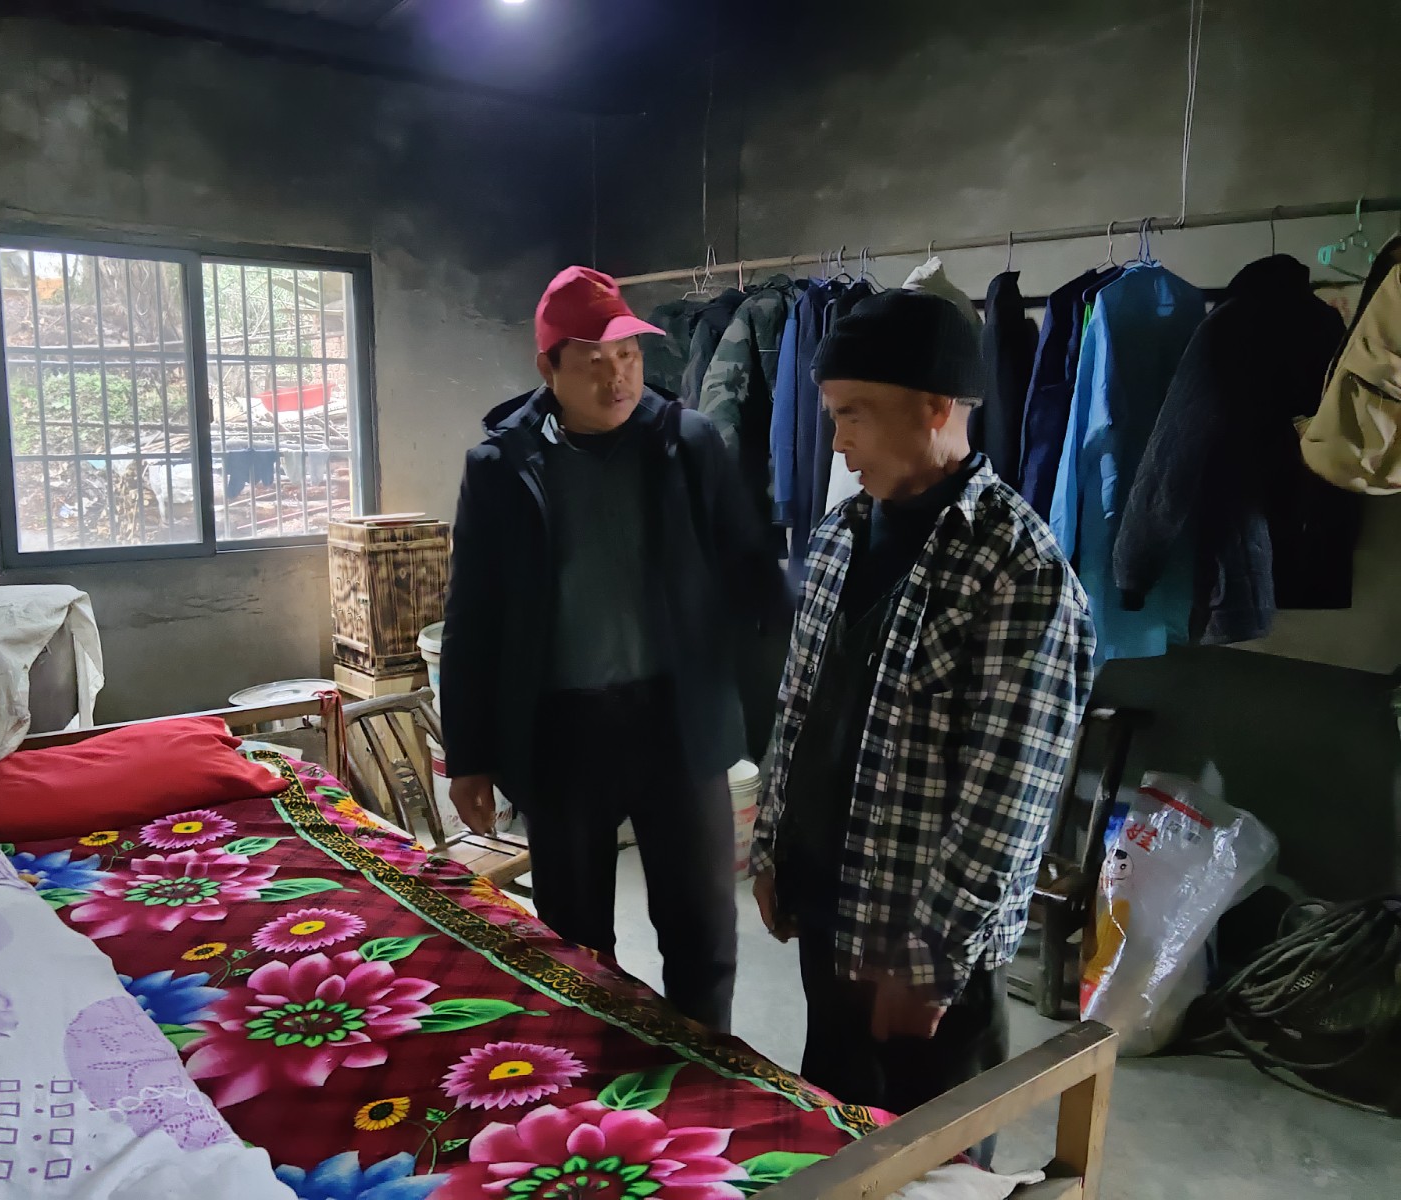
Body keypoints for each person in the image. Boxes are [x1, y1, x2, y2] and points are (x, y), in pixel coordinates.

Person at [750, 289, 1096, 1164]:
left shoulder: (1017, 570)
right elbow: (800, 706)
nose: (837, 442)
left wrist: (934, 958)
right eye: (833, 415)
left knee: (933, 1163)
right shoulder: (841, 534)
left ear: (937, 407)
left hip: (923, 954)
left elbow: (1007, 796)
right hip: (831, 910)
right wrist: (774, 848)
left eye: (854, 415)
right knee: (835, 1137)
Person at [440, 265, 790, 1033]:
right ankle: (595, 1077)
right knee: (576, 944)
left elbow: (754, 581)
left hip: (677, 724)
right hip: (563, 731)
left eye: (628, 355)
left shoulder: (689, 444)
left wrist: (757, 721)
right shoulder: (502, 467)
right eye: (594, 361)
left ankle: (706, 1075)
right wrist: (469, 754)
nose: (618, 376)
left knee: (702, 937)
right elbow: (473, 615)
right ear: (549, 368)